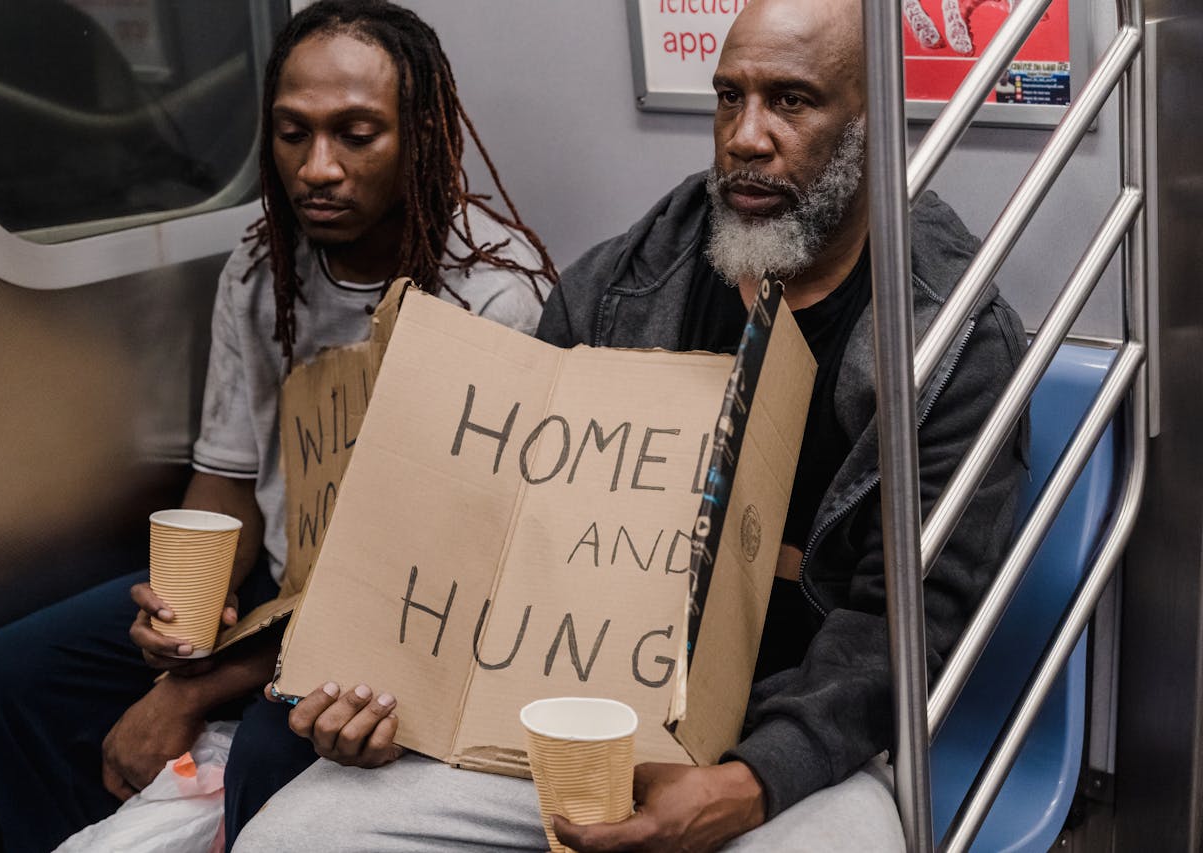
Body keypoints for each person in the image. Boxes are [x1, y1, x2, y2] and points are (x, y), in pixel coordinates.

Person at [231, 0, 1027, 850]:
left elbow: (906, 625)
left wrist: (750, 781)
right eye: (729, 97)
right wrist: (396, 688)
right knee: (294, 836)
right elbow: (496, 536)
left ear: (873, 120)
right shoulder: (626, 281)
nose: (745, 137)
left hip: (799, 744)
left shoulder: (949, 340)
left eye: (791, 101)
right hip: (583, 706)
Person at [0, 2, 556, 850]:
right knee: (16, 670)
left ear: (420, 136)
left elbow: (455, 587)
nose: (317, 167)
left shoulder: (492, 297)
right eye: (292, 133)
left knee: (265, 756)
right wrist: (189, 613)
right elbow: (230, 478)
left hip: (406, 624)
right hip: (279, 597)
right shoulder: (260, 269)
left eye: (357, 134)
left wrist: (195, 690)